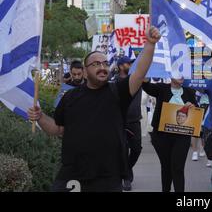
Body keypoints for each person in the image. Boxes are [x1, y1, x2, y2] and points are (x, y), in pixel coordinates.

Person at [26, 26, 161, 192]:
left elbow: (139, 73)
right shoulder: (70, 97)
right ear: (84, 71)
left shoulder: (118, 92)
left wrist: (150, 44)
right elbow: (58, 129)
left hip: (108, 177)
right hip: (73, 175)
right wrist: (40, 117)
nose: (102, 67)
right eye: (96, 64)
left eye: (105, 63)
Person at [142, 76, 198, 192]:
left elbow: (196, 112)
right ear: (171, 75)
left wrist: (193, 107)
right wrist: (146, 75)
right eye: (178, 73)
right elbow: (147, 87)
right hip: (162, 136)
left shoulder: (189, 91)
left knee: (178, 168)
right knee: (166, 167)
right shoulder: (161, 88)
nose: (181, 76)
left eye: (182, 74)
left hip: (182, 136)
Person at [113, 56, 143, 192]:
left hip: (135, 120)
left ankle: (126, 169)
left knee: (136, 149)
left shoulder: (136, 79)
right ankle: (126, 178)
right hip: (120, 121)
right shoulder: (114, 82)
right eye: (127, 63)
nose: (130, 65)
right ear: (120, 66)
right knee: (123, 150)